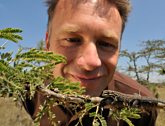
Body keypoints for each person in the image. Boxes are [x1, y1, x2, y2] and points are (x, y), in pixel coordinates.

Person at [24, 0, 157, 125]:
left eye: (106, 44)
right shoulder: (27, 92)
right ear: (47, 44)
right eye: (72, 39)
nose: (91, 62)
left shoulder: (143, 107)